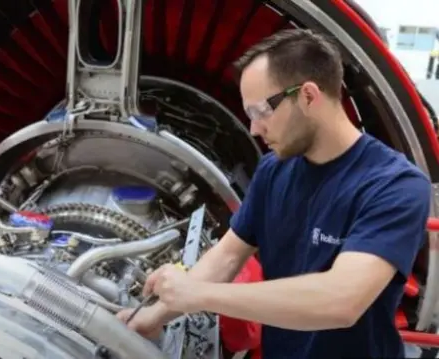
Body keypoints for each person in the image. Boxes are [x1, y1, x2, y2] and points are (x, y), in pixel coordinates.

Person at [117, 28, 432, 359]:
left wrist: (196, 294)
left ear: (309, 96)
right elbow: (227, 256)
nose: (254, 128)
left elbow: (342, 301)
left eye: (260, 112)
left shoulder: (395, 185)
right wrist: (154, 316)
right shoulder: (274, 171)